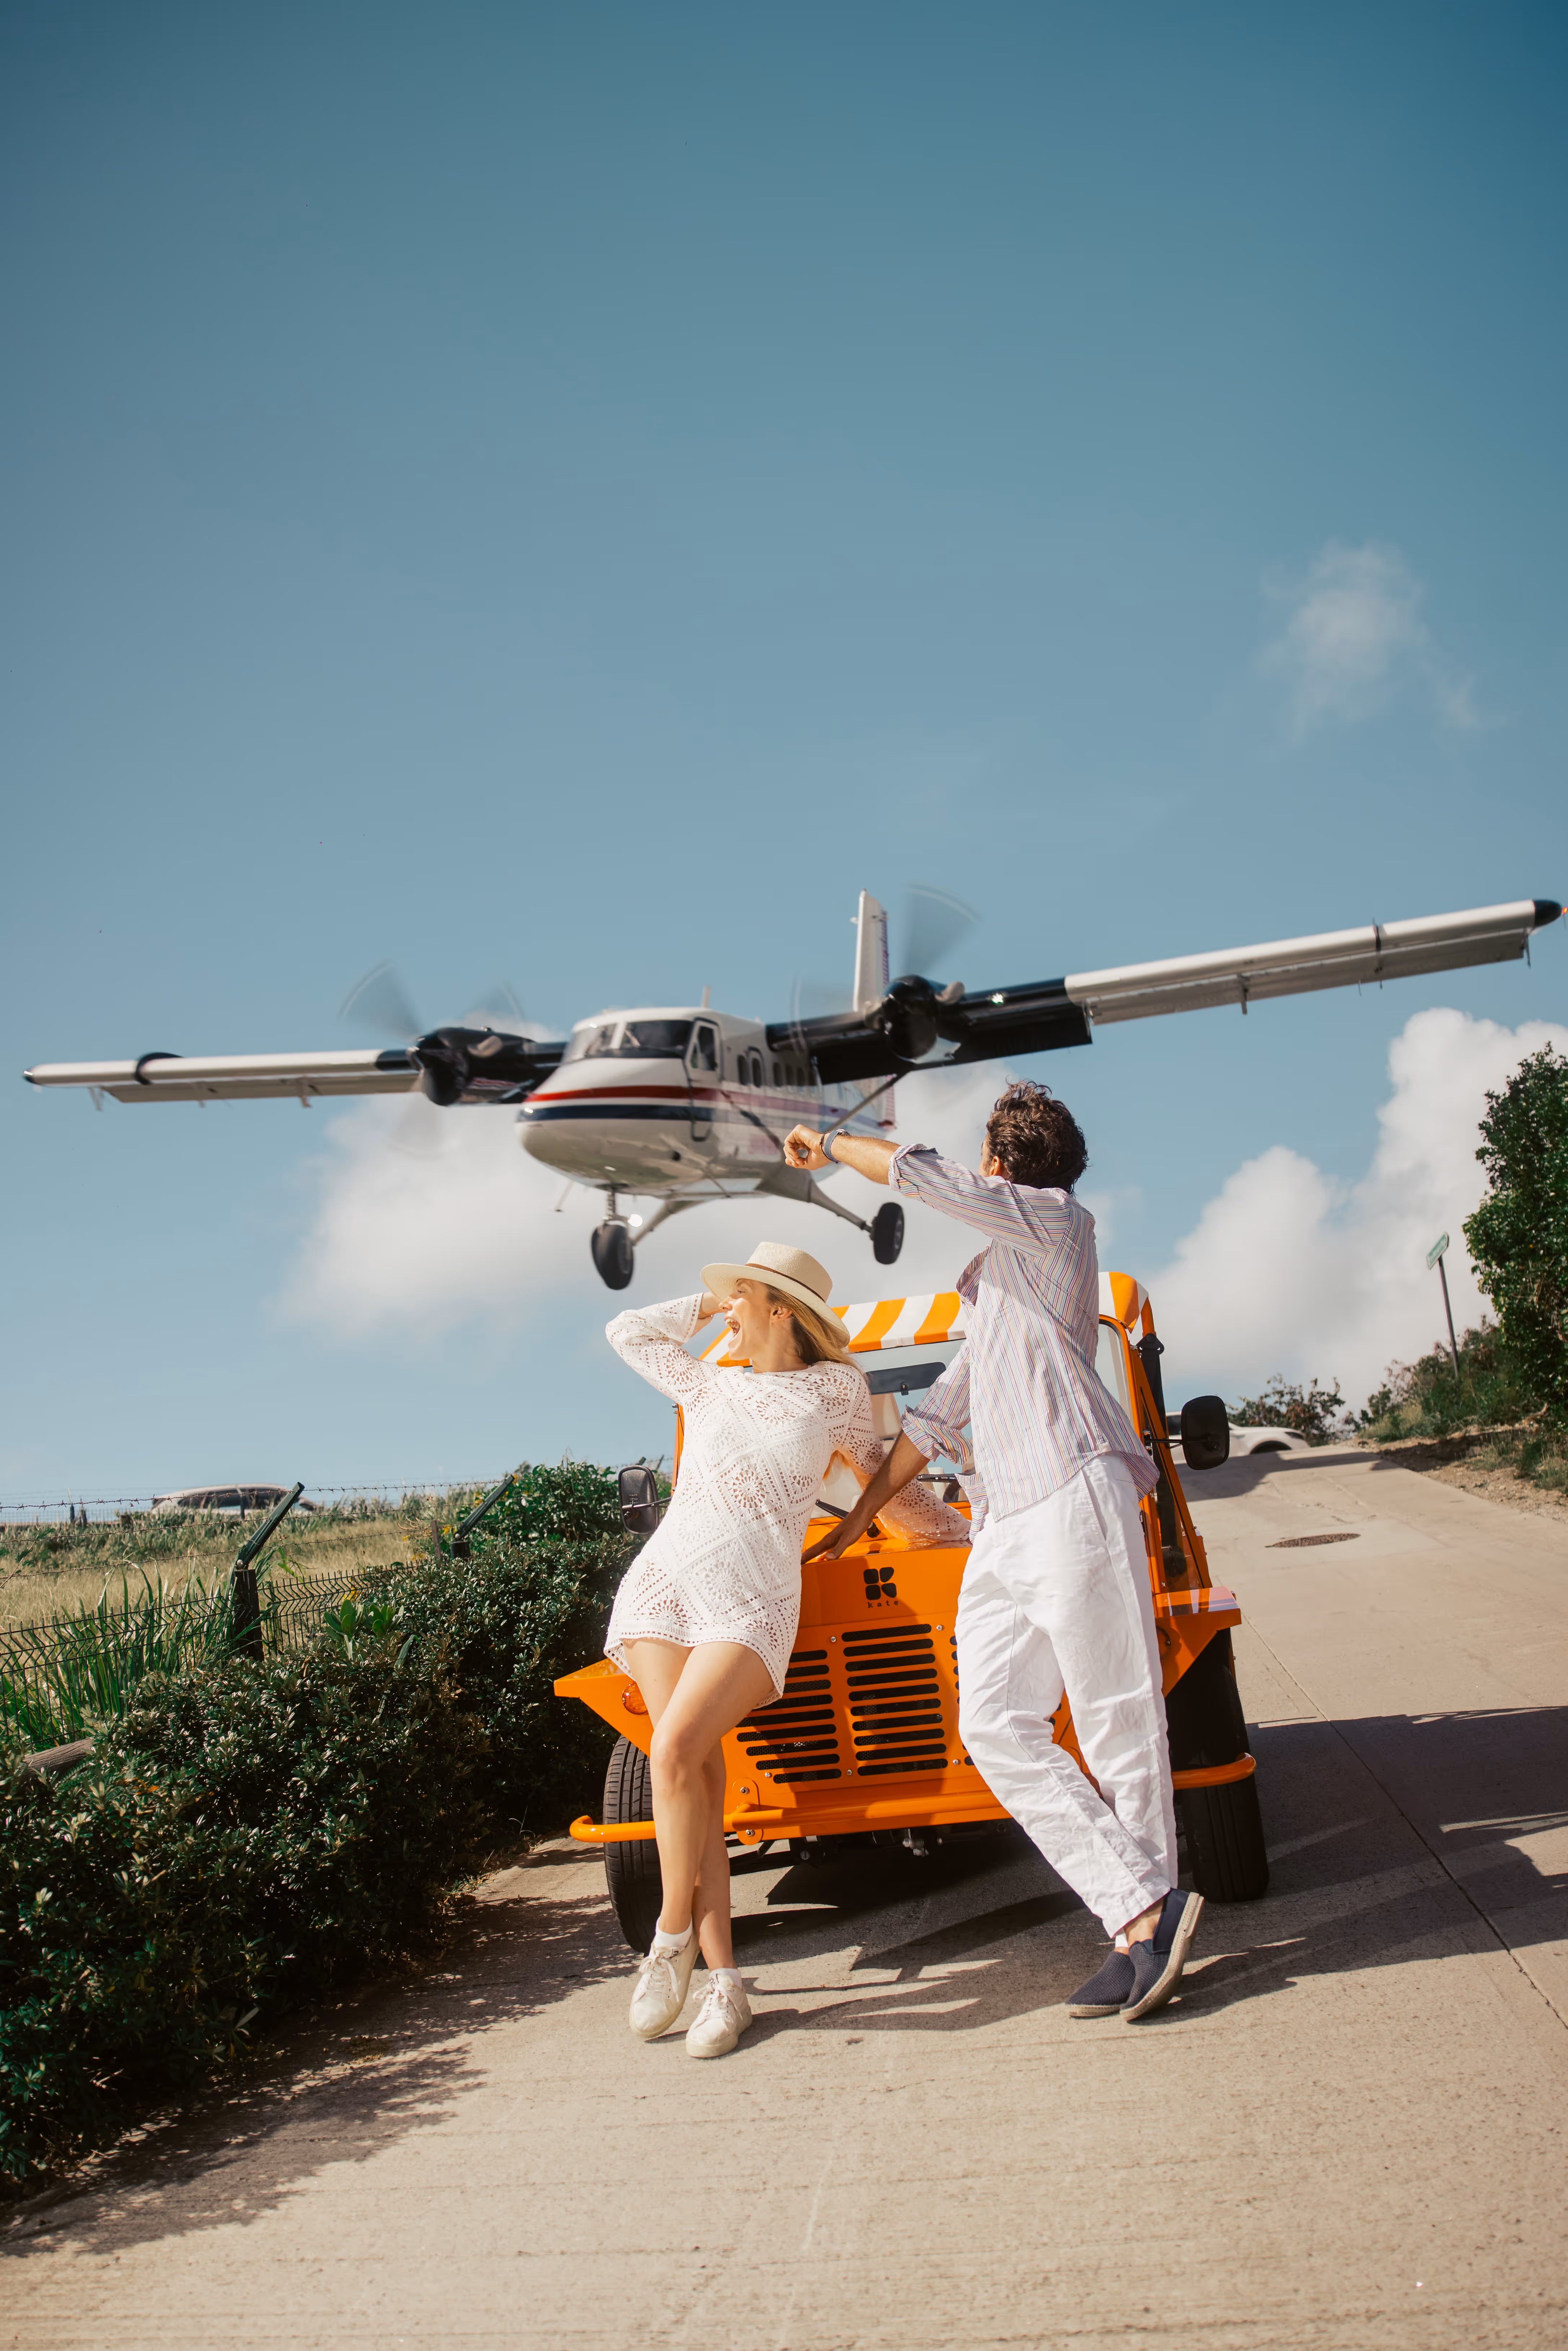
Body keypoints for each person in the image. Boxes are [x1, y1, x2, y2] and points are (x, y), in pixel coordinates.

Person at [785, 1084, 1203, 2022]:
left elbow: (916, 1176)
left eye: (983, 1154)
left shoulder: (1055, 1223)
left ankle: (1139, 1938)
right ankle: (1141, 1906)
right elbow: (939, 1418)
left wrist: (828, 1151)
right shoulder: (997, 1285)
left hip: (1075, 1487)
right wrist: (855, 1523)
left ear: (1002, 1162)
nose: (974, 1169)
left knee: (1114, 1725)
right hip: (1004, 1518)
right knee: (994, 1727)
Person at [604, 1242, 969, 2057]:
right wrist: (707, 1304)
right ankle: (724, 1985)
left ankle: (670, 1940)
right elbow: (627, 1329)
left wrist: (958, 1533)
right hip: (664, 1583)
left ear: (778, 1308)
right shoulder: (709, 1378)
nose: (726, 1309)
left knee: (673, 1752)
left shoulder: (835, 1389)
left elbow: (886, 1481)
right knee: (691, 1768)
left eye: (739, 1299)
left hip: (751, 1597)